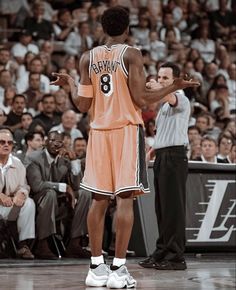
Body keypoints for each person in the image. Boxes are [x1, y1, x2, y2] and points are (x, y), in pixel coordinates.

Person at [51, 6, 199, 288]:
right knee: (125, 200)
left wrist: (70, 83)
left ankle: (96, 267)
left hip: (98, 133)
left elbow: (82, 105)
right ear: (127, 28)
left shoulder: (87, 57)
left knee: (98, 200)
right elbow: (142, 99)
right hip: (126, 132)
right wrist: (174, 86)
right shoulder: (131, 54)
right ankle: (118, 269)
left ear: (102, 28)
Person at [139, 62, 191, 271]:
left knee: (174, 210)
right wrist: (151, 152)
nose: (160, 81)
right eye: (159, 77)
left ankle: (176, 257)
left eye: (165, 78)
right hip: (163, 156)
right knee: (162, 209)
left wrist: (158, 89)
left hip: (175, 157)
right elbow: (163, 135)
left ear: (175, 81)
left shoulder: (181, 98)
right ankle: (162, 251)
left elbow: (171, 97)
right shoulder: (163, 107)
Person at [26, 130, 91, 259]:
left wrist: (74, 162)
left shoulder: (64, 160)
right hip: (39, 202)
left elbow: (78, 186)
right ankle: (42, 244)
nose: (56, 144)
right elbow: (37, 186)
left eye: (59, 141)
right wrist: (63, 187)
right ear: (45, 142)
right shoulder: (34, 158)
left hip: (59, 204)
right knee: (50, 194)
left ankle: (74, 243)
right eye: (52, 140)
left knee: (85, 193)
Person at [0, 128, 35, 259]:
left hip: (9, 205)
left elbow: (24, 185)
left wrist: (21, 193)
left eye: (9, 143)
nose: (6, 145)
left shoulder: (17, 163)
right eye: (2, 142)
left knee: (29, 203)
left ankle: (22, 244)